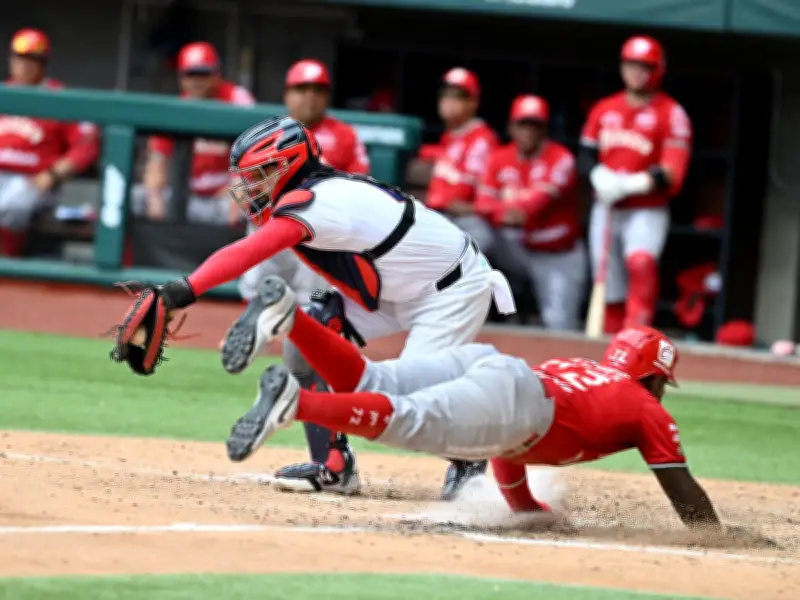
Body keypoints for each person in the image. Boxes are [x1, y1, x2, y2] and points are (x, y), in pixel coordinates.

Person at [128, 116, 516, 500]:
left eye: (259, 174)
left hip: (450, 289)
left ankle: (470, 456)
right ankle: (333, 465)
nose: (249, 186)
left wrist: (178, 292)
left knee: (410, 402)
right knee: (311, 334)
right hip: (394, 287)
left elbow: (248, 251)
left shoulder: (318, 201)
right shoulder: (314, 194)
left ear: (288, 166)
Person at [225, 277, 723, 532]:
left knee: (374, 378)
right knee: (409, 418)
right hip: (517, 404)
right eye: (661, 384)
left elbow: (507, 443)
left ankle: (293, 318)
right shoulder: (645, 406)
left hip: (496, 367)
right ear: (653, 377)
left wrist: (525, 508)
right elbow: (682, 488)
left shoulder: (583, 369)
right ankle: (298, 404)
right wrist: (716, 535)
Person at [579, 35, 692, 334]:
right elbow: (585, 155)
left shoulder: (671, 113)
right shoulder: (605, 108)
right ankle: (610, 342)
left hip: (646, 208)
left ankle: (636, 335)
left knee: (640, 262)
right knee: (607, 280)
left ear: (658, 70)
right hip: (606, 206)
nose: (637, 72)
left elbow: (672, 174)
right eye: (632, 65)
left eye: (645, 66)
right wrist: (597, 175)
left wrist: (631, 184)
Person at [237, 58, 369, 306]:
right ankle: (256, 309)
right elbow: (247, 185)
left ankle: (311, 311)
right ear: (287, 94)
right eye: (302, 89)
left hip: (318, 228)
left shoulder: (345, 135)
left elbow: (360, 186)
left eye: (318, 90)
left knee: (312, 300)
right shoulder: (269, 133)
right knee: (258, 293)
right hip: (275, 221)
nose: (310, 97)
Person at [475, 95, 586, 330]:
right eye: (522, 124)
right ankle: (472, 309)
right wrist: (504, 212)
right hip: (516, 248)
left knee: (559, 327)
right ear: (511, 127)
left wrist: (508, 208)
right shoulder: (499, 157)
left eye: (535, 125)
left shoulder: (561, 158)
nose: (528, 132)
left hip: (556, 254)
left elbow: (537, 203)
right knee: (475, 234)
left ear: (545, 129)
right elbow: (483, 203)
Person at [0, 28, 99, 256]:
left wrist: (52, 174)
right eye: (19, 58)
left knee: (13, 206)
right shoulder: (4, 92)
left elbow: (87, 146)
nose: (23, 65)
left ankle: (8, 267)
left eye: (31, 60)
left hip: (33, 179)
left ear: (43, 63)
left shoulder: (59, 97)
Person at [133, 41, 255, 225]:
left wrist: (237, 189)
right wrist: (155, 199)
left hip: (225, 197)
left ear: (217, 74)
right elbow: (157, 162)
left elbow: (257, 158)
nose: (196, 81)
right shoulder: (175, 109)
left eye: (203, 74)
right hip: (186, 196)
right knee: (134, 197)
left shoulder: (237, 99)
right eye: (190, 74)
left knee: (254, 203)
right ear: (181, 78)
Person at [423, 68, 499, 254]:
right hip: (441, 216)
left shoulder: (481, 139)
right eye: (445, 94)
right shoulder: (450, 136)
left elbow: (464, 192)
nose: (448, 101)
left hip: (467, 219)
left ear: (473, 102)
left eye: (458, 96)